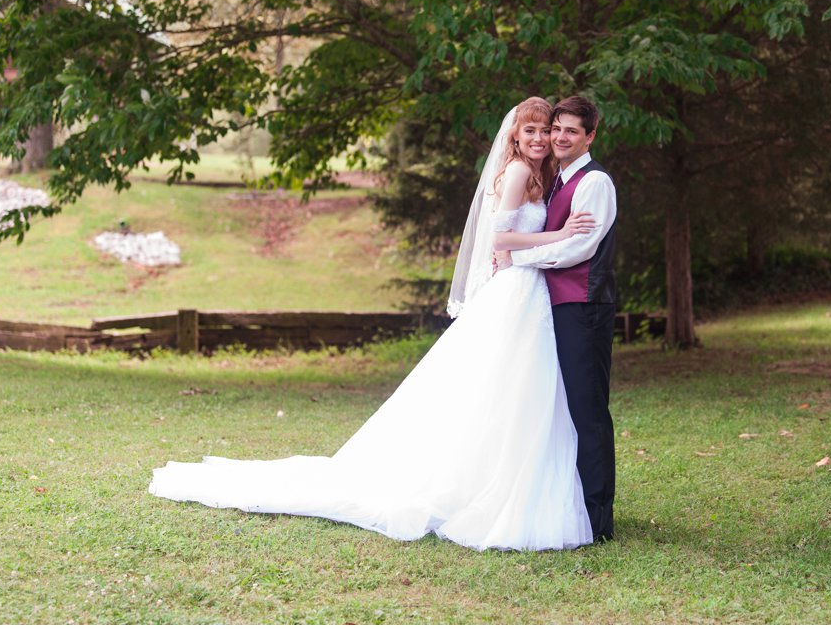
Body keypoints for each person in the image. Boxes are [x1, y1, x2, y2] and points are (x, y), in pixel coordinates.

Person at [149, 97, 598, 551]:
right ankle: (490, 487)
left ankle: (503, 480)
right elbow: (500, 236)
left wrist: (524, 250)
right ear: (515, 136)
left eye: (548, 131)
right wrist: (559, 235)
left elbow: (507, 242)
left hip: (525, 292)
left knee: (518, 390)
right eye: (533, 131)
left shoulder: (541, 176)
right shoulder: (520, 172)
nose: (542, 139)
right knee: (512, 387)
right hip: (518, 292)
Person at [498, 95, 618, 542]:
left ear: (589, 136)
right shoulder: (552, 181)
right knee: (560, 409)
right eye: (557, 129)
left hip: (585, 305)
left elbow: (579, 248)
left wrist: (520, 262)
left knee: (588, 411)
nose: (560, 137)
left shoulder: (594, 183)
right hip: (554, 306)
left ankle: (598, 518)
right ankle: (573, 509)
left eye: (571, 131)